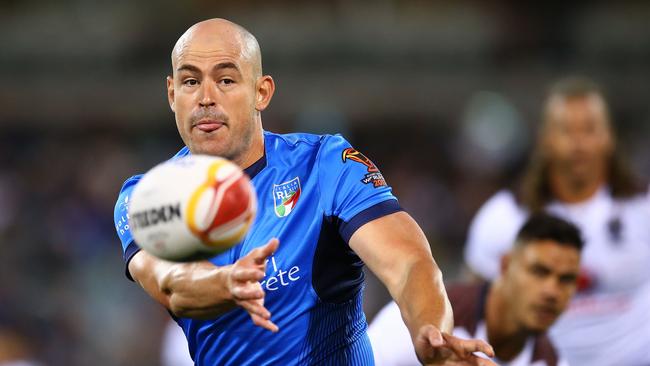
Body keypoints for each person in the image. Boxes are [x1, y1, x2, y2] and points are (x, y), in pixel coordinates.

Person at [113, 18, 495, 365]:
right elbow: (170, 284)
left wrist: (431, 331)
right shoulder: (147, 197)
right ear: (171, 94)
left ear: (261, 92)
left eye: (226, 80)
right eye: (191, 81)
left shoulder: (325, 165)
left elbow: (408, 261)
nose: (206, 97)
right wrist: (223, 283)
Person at [464, 77, 650, 365]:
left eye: (589, 129)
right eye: (566, 130)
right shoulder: (503, 217)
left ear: (609, 136)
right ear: (545, 139)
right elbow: (472, 308)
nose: (578, 142)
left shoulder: (643, 207)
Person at [369, 213, 582, 366]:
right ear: (506, 266)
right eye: (539, 272)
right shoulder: (425, 319)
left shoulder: (551, 360)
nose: (552, 291)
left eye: (566, 279)